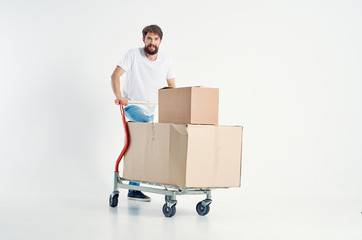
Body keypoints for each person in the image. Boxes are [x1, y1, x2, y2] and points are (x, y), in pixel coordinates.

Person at [111, 25, 176, 202]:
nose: (152, 42)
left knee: (143, 145)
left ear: (160, 41)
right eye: (149, 39)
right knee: (147, 134)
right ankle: (134, 188)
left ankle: (135, 188)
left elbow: (172, 86)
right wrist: (119, 97)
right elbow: (115, 75)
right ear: (143, 40)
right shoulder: (133, 54)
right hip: (132, 105)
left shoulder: (166, 60)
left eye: (155, 39)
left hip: (150, 109)